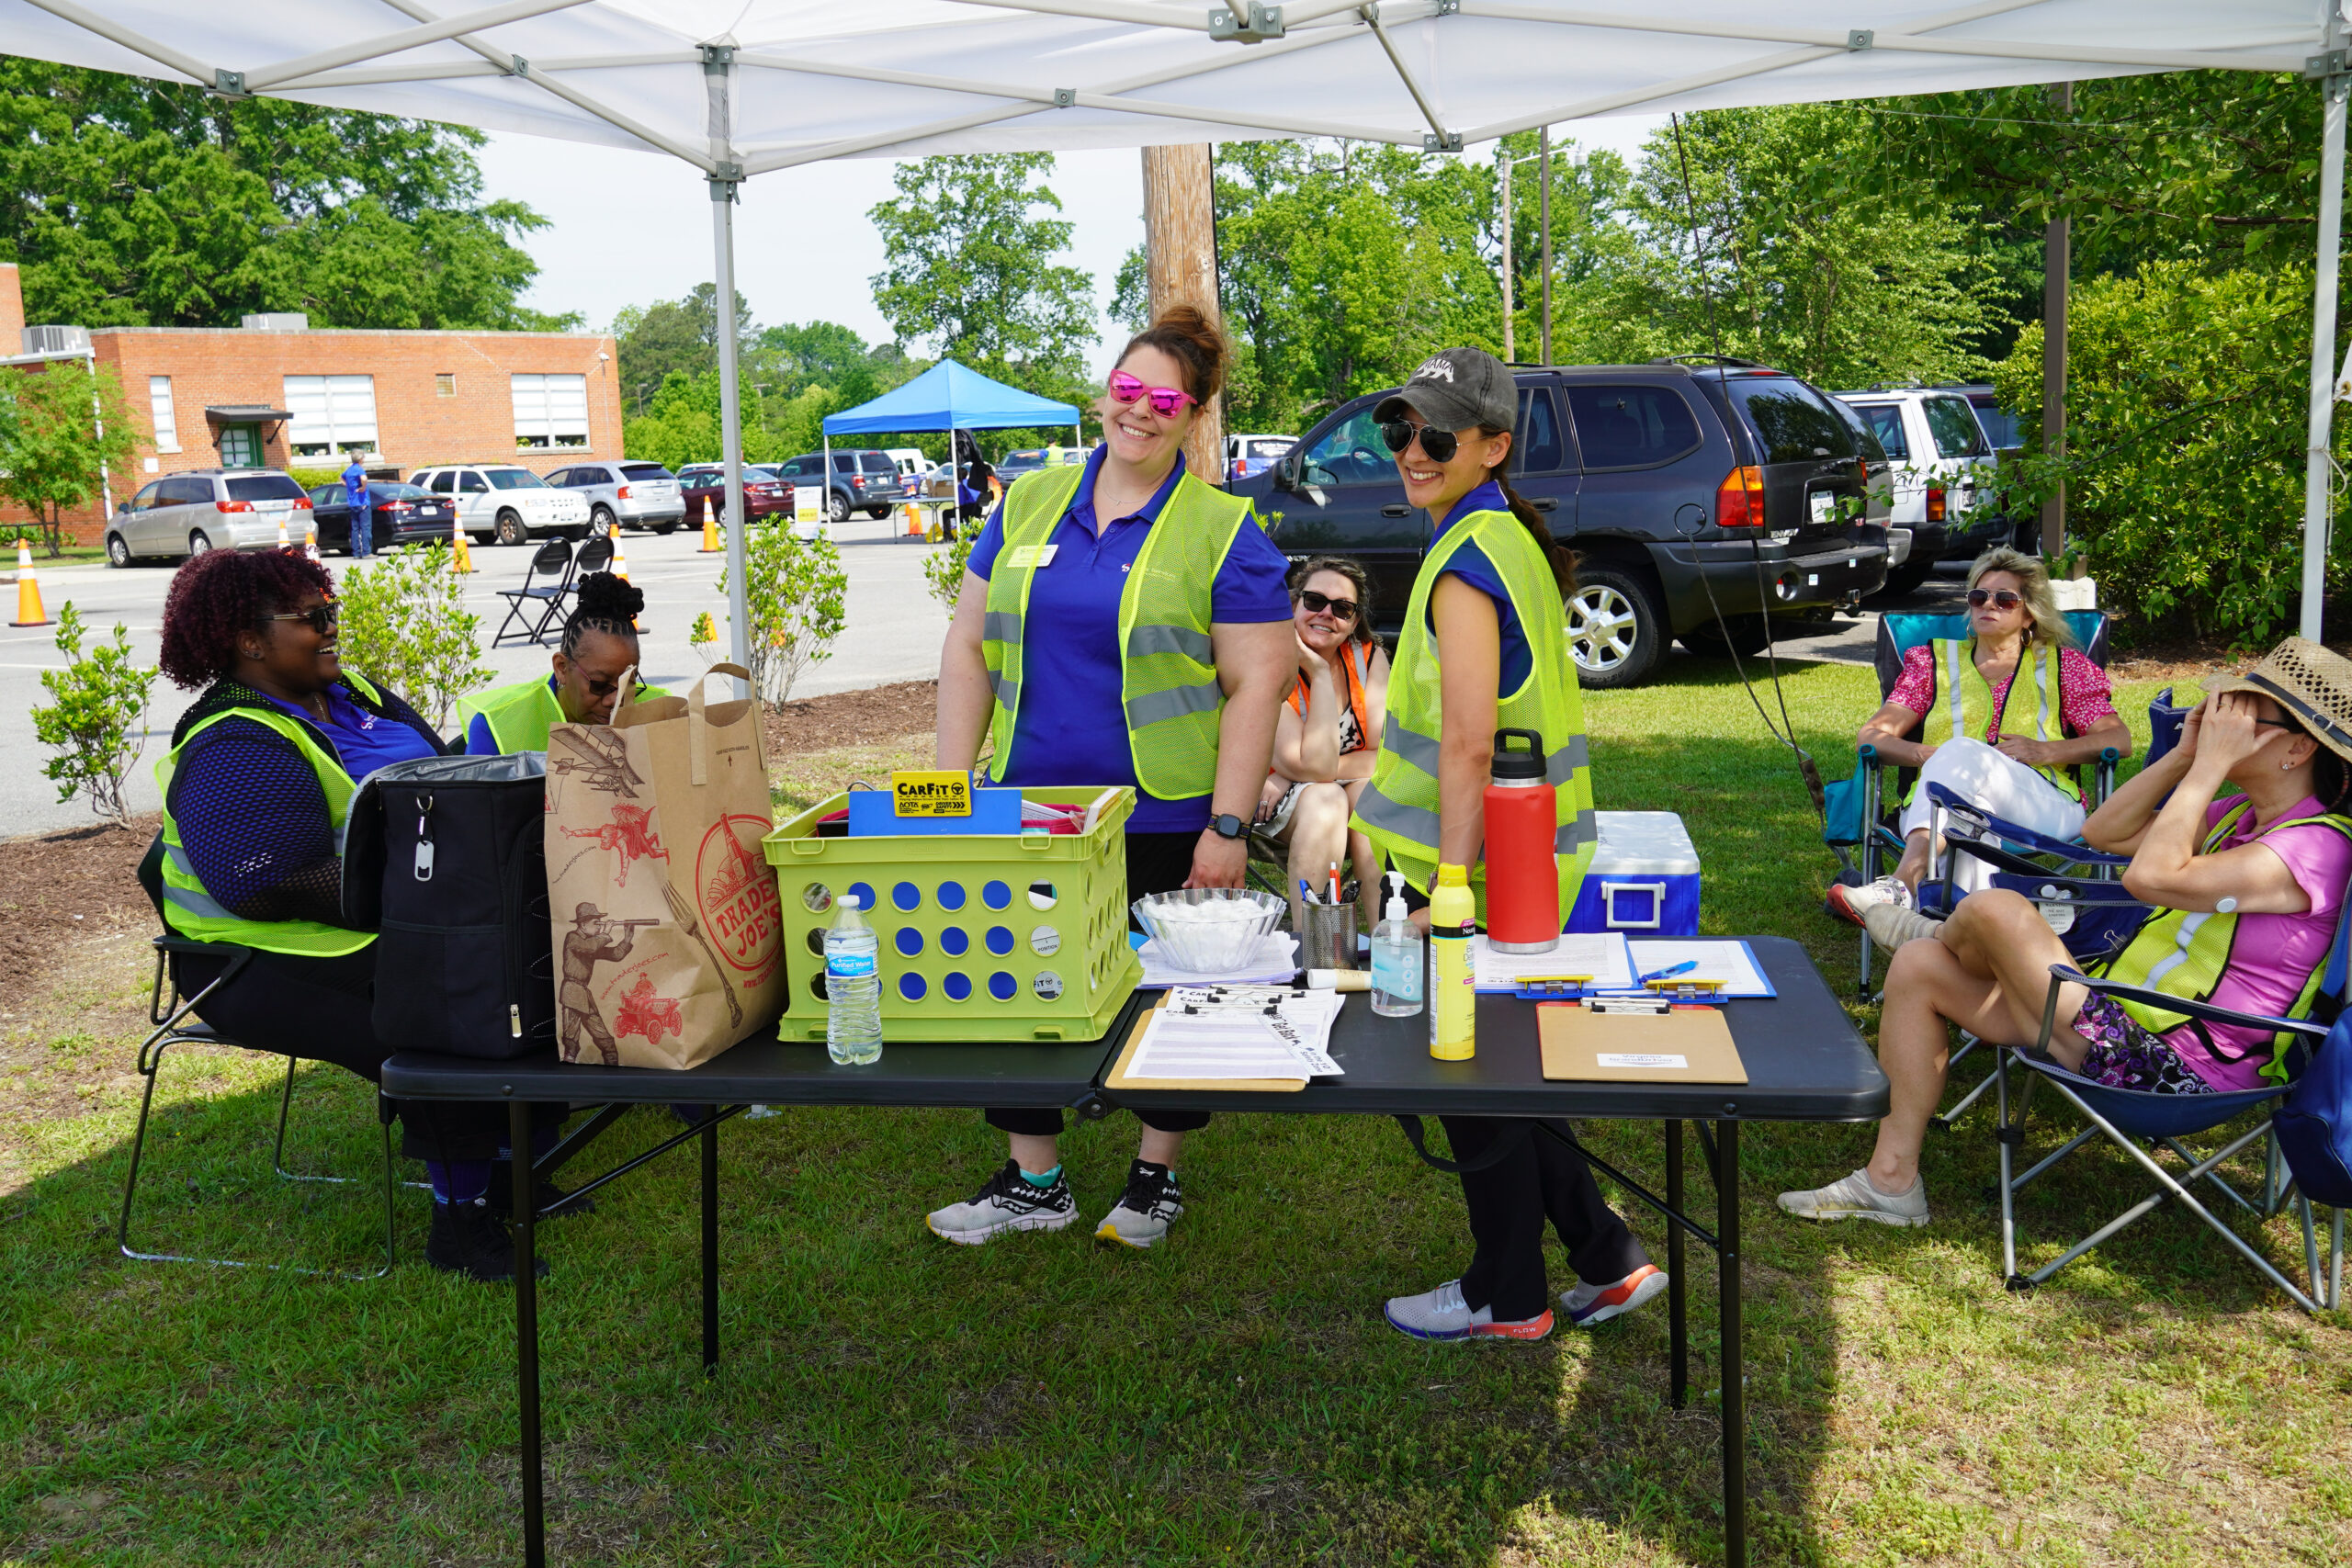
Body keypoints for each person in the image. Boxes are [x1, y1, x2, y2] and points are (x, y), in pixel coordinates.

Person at [926, 304, 1294, 1250]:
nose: (1139, 411)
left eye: (1163, 399)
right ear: (1103, 394)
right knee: (1009, 981)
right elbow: (968, 645)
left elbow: (1259, 681)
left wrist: (1225, 826)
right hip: (1027, 805)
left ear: (1193, 416)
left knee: (1168, 996)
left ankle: (1152, 1177)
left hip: (1164, 811)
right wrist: (945, 787)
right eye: (1126, 389)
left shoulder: (1224, 529)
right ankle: (1032, 1180)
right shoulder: (1027, 502)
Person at [1781, 637, 2352, 1228]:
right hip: (2117, 1021)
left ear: (2299, 746)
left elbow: (2151, 877)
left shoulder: (2314, 847)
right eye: (2218, 710)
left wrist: (2207, 767)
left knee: (1998, 910)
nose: (2217, 723)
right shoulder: (2236, 816)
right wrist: (2185, 757)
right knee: (1920, 968)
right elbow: (2104, 830)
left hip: (2180, 1070)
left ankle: (1932, 930)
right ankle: (1890, 1182)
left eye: (2239, 715)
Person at [1353, 348, 1664, 1343]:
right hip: (1523, 867)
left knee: (1468, 1081)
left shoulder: (1468, 559)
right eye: (1399, 430)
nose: (1411, 451)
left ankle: (1506, 1295)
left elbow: (1467, 739)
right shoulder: (1503, 538)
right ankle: (1606, 1258)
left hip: (1481, 873)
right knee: (1501, 1076)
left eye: (1434, 437)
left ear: (1491, 447)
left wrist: (1447, 886)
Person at [153, 548, 571, 1283]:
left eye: (331, 611)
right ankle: (461, 1218)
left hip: (389, 924)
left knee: (539, 953)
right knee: (449, 997)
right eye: (313, 618)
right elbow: (261, 882)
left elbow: (449, 777)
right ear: (249, 641)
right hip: (254, 958)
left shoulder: (360, 696)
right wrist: (426, 904)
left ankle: (515, 1165)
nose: (331, 628)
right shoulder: (233, 740)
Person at [1832, 547, 2131, 922]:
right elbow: (1872, 736)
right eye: (1979, 597)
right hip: (1939, 804)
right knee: (1970, 823)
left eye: (2006, 599)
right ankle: (1968, 938)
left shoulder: (2063, 666)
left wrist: (2046, 751)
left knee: (1962, 774)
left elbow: (2117, 741)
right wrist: (1932, 757)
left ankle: (1903, 884)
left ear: (2029, 614)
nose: (1989, 605)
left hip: (2042, 804)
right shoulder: (1932, 663)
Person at [1256, 555, 1389, 933]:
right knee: (1326, 799)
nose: (1327, 614)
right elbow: (1303, 765)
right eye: (1315, 601)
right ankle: (1317, 949)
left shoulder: (1369, 659)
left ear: (1353, 623)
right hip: (1266, 797)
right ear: (1294, 604)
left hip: (1326, 786)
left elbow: (1385, 756)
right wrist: (1316, 670)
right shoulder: (1270, 660)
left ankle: (1390, 942)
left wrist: (1294, 775)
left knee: (1368, 798)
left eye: (1342, 609)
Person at [458, 572, 650, 754]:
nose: (615, 701)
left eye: (628, 684)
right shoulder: (498, 726)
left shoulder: (658, 712)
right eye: (599, 685)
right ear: (561, 668)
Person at [951, 429, 992, 542]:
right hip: (976, 509)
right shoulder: (973, 484)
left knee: (949, 513)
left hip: (969, 509)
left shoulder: (961, 486)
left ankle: (950, 534)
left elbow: (960, 503)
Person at [342, 455, 371, 558]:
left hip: (352, 502)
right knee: (365, 527)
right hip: (362, 502)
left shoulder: (349, 470)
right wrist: (363, 487)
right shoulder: (359, 469)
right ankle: (367, 552)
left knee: (355, 529)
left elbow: (341, 478)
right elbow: (364, 478)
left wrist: (348, 486)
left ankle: (356, 553)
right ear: (360, 459)